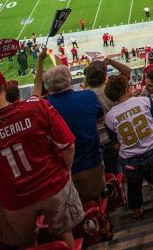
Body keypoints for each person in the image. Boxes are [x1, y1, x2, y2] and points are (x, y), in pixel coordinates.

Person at [0, 68, 84, 249]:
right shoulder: (37, 106)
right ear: (5, 87)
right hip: (53, 184)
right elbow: (67, 145)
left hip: (14, 200)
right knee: (64, 233)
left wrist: (0, 190)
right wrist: (64, 169)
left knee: (25, 245)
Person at [36, 62, 105, 203]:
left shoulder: (42, 107)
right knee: (96, 206)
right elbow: (100, 118)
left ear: (47, 86)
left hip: (60, 174)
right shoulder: (88, 96)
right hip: (90, 164)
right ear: (70, 80)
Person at [103, 74, 153, 220]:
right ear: (126, 88)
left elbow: (116, 145)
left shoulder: (109, 116)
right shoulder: (144, 100)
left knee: (133, 184)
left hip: (131, 160)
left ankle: (137, 210)